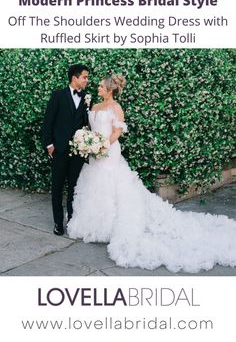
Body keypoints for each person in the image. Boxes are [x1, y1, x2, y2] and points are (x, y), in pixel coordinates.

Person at [67, 74, 236, 273]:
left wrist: (103, 145)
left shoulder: (116, 108)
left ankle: (113, 226)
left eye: (101, 87)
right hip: (95, 155)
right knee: (95, 185)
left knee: (112, 185)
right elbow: (91, 128)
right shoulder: (94, 106)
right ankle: (95, 225)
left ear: (110, 89)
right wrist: (88, 143)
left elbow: (116, 133)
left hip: (109, 151)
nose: (98, 89)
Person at [43, 64, 90, 236]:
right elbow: (48, 122)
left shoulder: (86, 98)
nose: (87, 80)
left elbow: (86, 123)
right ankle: (57, 223)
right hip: (60, 150)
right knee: (57, 188)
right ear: (75, 78)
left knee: (74, 187)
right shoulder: (58, 96)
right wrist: (49, 146)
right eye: (85, 77)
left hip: (78, 151)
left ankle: (71, 220)